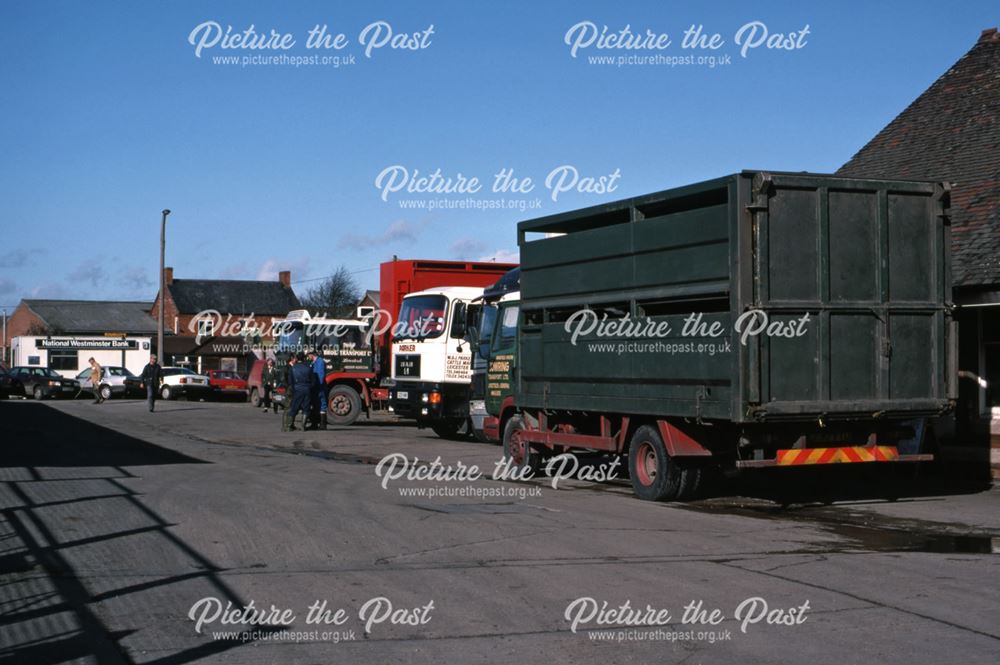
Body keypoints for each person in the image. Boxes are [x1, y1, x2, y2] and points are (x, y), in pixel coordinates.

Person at [282, 353, 313, 432]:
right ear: (304, 359)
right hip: (307, 389)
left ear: (297, 359)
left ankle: (288, 426)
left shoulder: (293, 368)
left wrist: (293, 388)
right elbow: (313, 380)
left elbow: (290, 381)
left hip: (297, 389)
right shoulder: (308, 367)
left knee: (294, 407)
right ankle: (303, 426)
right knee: (306, 408)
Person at [307, 349, 327, 430]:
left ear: (312, 354)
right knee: (315, 405)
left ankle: (323, 425)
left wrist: (317, 386)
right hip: (315, 387)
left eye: (309, 355)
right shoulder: (314, 362)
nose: (308, 357)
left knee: (322, 405)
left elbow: (320, 375)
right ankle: (315, 424)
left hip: (319, 387)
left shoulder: (320, 362)